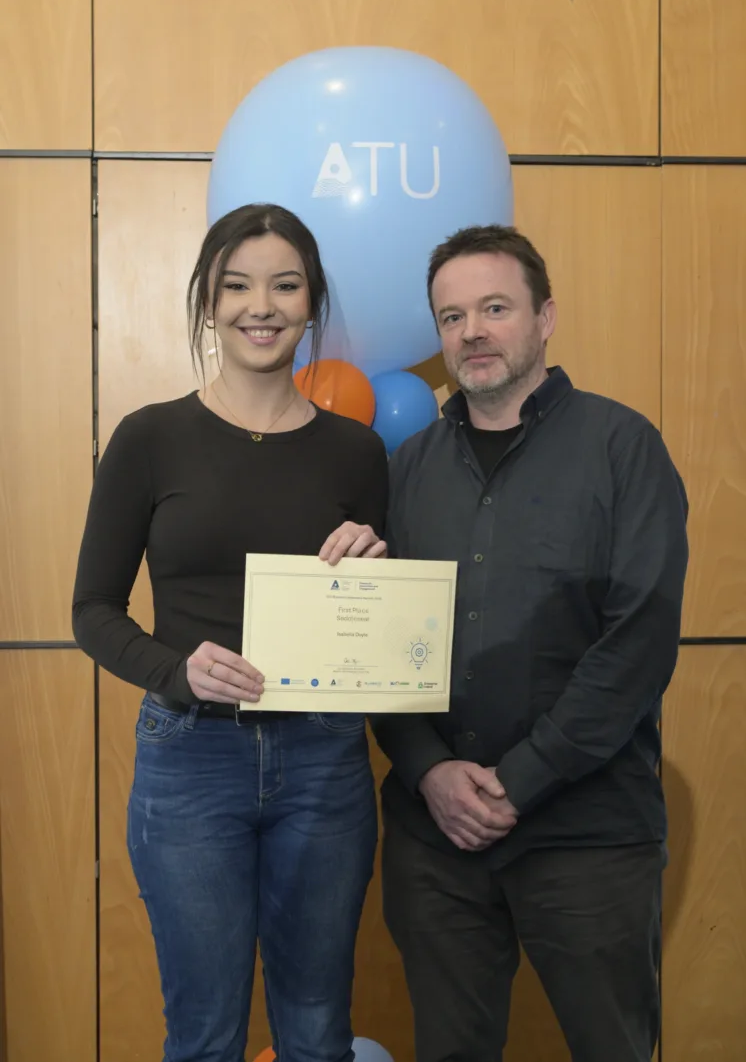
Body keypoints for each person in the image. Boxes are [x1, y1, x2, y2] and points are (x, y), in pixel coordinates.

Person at [72, 203, 388, 1062]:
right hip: (189, 760)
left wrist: (372, 565)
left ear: (311, 304)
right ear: (209, 301)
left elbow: (381, 629)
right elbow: (92, 609)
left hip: (325, 760)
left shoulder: (357, 453)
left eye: (285, 285)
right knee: (205, 1032)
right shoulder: (148, 438)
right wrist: (176, 669)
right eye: (237, 285)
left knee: (318, 1028)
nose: (262, 304)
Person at [371, 224, 688, 1062]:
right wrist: (429, 770)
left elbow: (640, 640)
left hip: (586, 833)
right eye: (451, 316)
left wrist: (518, 782)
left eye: (495, 307)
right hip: (434, 841)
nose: (471, 330)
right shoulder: (405, 470)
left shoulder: (624, 448)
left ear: (545, 318)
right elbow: (379, 648)